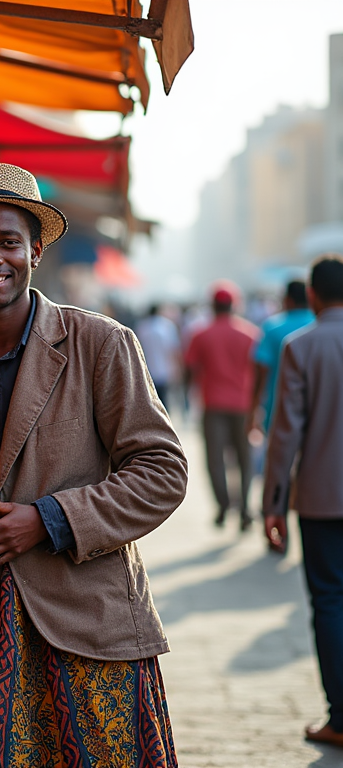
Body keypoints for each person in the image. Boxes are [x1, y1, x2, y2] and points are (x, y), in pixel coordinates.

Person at [0, 162, 188, 766]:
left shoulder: (101, 344)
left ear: (36, 251)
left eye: (7, 242)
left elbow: (162, 471)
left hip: (86, 624)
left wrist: (48, 519)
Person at [262, 254, 343, 748]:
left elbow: (284, 433)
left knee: (330, 602)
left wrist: (273, 502)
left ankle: (341, 717)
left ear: (312, 295)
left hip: (320, 499)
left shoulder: (301, 346)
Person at [183, 285, 260, 530]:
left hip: (213, 403)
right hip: (243, 404)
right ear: (234, 305)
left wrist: (191, 394)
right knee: (244, 458)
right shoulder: (250, 334)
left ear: (213, 305)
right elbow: (259, 372)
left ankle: (223, 504)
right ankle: (246, 508)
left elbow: (190, 369)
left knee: (215, 458)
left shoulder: (201, 334)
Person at [250, 280, 314, 436]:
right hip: (315, 411)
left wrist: (253, 410)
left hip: (277, 412)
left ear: (288, 299)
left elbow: (261, 372)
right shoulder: (318, 324)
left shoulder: (272, 327)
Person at [135, 303, 181, 412]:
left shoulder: (142, 327)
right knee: (164, 401)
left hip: (147, 370)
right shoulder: (167, 326)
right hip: (165, 369)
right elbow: (173, 349)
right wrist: (177, 367)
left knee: (150, 403)